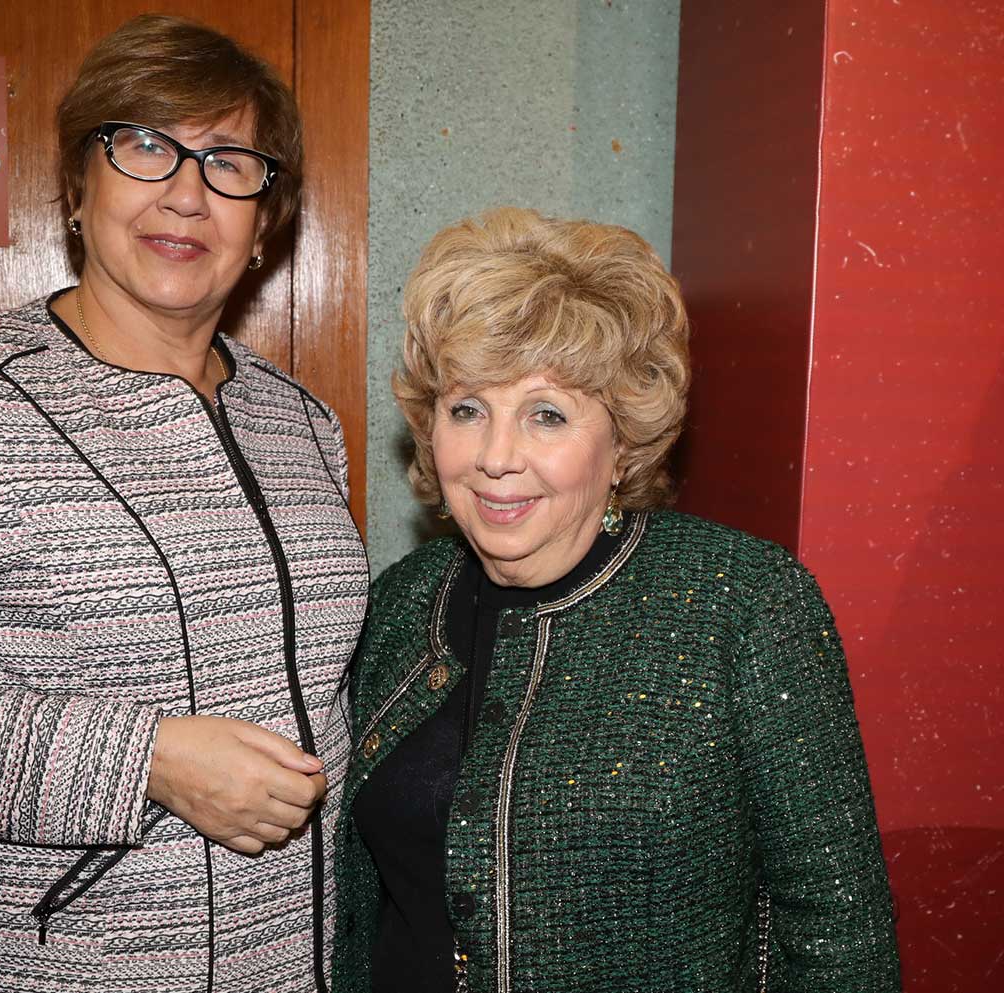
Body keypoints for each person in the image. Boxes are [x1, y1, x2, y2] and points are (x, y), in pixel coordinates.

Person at [0, 16, 368, 993]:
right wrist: (145, 760)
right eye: (143, 146)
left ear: (266, 221)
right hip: (70, 966)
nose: (187, 193)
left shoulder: (297, 420)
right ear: (77, 190)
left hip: (300, 963)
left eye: (229, 162)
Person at [332, 208, 900, 993]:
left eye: (547, 414)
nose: (496, 455)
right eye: (467, 408)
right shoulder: (398, 604)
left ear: (623, 442)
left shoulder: (745, 606)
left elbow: (842, 933)